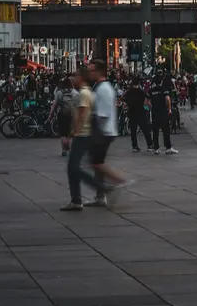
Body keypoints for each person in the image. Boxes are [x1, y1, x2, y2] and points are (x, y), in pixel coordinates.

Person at [61, 69, 117, 211]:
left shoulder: (84, 94)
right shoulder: (88, 93)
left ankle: (97, 190)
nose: (73, 79)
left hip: (82, 135)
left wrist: (71, 136)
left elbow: (82, 116)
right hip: (85, 134)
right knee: (74, 168)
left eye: (75, 76)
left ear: (82, 78)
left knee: (74, 168)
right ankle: (78, 198)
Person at [84, 60, 132, 208]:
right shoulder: (99, 87)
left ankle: (120, 181)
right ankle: (100, 196)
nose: (90, 73)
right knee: (96, 163)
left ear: (99, 71)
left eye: (92, 70)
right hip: (102, 131)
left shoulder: (103, 89)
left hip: (103, 131)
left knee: (96, 163)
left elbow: (102, 114)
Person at [149, 74, 178, 155]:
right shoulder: (163, 89)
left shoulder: (151, 90)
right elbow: (168, 99)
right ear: (161, 81)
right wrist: (169, 109)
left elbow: (146, 101)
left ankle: (156, 149)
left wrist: (151, 107)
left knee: (155, 131)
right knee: (166, 131)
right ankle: (168, 148)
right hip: (163, 113)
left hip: (155, 113)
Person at [49, 76, 79, 156]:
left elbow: (54, 105)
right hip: (71, 113)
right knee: (69, 131)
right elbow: (77, 105)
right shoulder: (75, 92)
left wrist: (50, 114)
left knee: (62, 133)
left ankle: (64, 150)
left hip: (61, 114)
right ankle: (67, 142)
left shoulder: (59, 92)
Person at [123, 77, 154, 152]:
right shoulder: (141, 92)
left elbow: (125, 103)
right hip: (140, 112)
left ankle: (135, 146)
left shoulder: (128, 92)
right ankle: (149, 145)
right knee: (145, 129)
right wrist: (149, 107)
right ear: (139, 84)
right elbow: (147, 100)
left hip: (132, 113)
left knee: (133, 130)